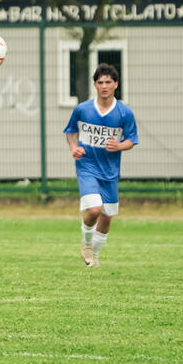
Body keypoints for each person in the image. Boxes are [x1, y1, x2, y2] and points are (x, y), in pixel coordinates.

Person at [63, 63, 138, 268]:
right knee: (94, 209)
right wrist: (73, 148)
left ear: (116, 84)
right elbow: (70, 131)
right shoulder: (83, 109)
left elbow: (132, 140)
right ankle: (86, 244)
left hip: (110, 171)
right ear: (95, 85)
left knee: (107, 217)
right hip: (87, 166)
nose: (104, 86)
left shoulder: (124, 113)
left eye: (108, 82)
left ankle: (92, 255)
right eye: (100, 82)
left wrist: (119, 145)